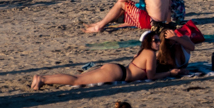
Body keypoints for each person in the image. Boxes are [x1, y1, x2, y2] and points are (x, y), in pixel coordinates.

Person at [34, 30, 181, 88]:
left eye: (158, 40)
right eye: (155, 41)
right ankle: (43, 79)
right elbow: (151, 76)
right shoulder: (149, 53)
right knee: (76, 80)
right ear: (149, 42)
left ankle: (42, 78)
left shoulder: (143, 52)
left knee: (77, 77)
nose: (158, 43)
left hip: (117, 70)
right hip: (117, 73)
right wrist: (170, 73)